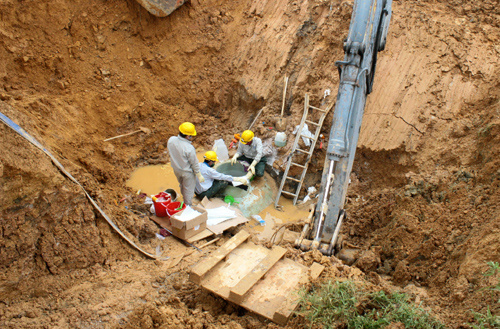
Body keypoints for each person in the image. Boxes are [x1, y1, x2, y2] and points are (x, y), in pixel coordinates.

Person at [167, 122, 204, 206]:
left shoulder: (171, 140)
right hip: (187, 173)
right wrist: (198, 174)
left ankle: (184, 200)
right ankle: (187, 206)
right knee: (189, 190)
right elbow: (194, 163)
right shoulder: (189, 148)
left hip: (176, 169)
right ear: (188, 136)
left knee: (182, 185)